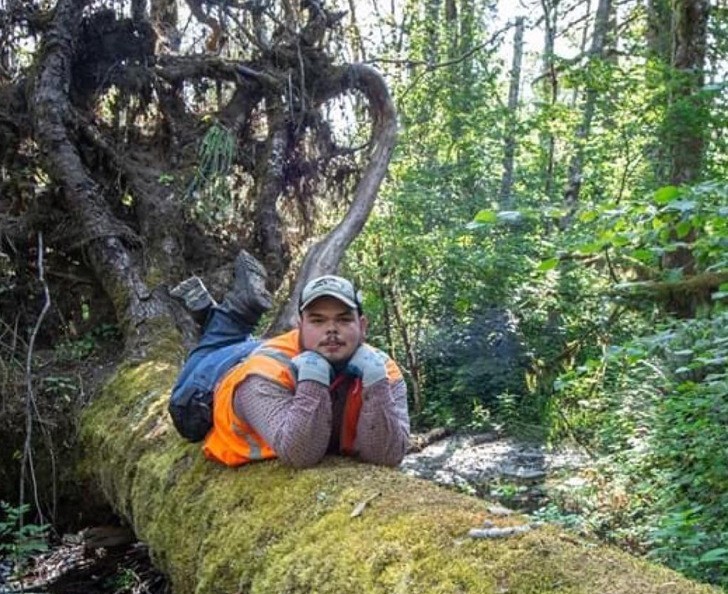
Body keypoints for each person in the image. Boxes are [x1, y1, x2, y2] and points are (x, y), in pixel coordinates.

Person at [170, 251, 410, 468]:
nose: (331, 330)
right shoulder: (261, 374)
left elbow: (387, 456)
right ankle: (232, 316)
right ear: (299, 326)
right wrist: (313, 378)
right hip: (212, 380)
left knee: (236, 342)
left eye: (343, 320)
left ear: (363, 325)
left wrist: (377, 384)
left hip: (272, 349)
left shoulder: (383, 370)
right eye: (318, 320)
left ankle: (217, 316)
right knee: (186, 406)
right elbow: (300, 454)